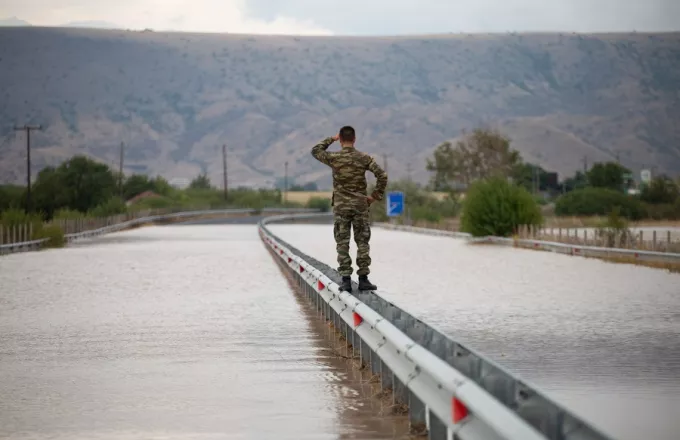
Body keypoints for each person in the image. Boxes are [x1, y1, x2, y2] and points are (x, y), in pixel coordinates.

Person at [311, 126, 388, 292]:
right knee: (362, 242)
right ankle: (363, 279)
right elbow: (382, 175)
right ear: (354, 139)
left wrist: (331, 138)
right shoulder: (363, 158)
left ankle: (345, 280)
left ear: (341, 140)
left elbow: (315, 150)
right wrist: (375, 196)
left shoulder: (334, 157)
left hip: (341, 207)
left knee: (342, 243)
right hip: (360, 206)